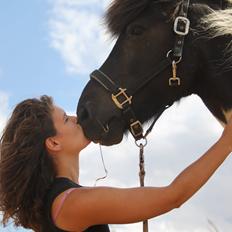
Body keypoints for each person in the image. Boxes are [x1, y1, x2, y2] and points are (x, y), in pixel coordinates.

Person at [0, 95, 231, 232]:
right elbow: (174, 196)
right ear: (53, 143)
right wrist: (226, 141)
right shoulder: (72, 203)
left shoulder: (57, 202)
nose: (76, 118)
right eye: (65, 119)